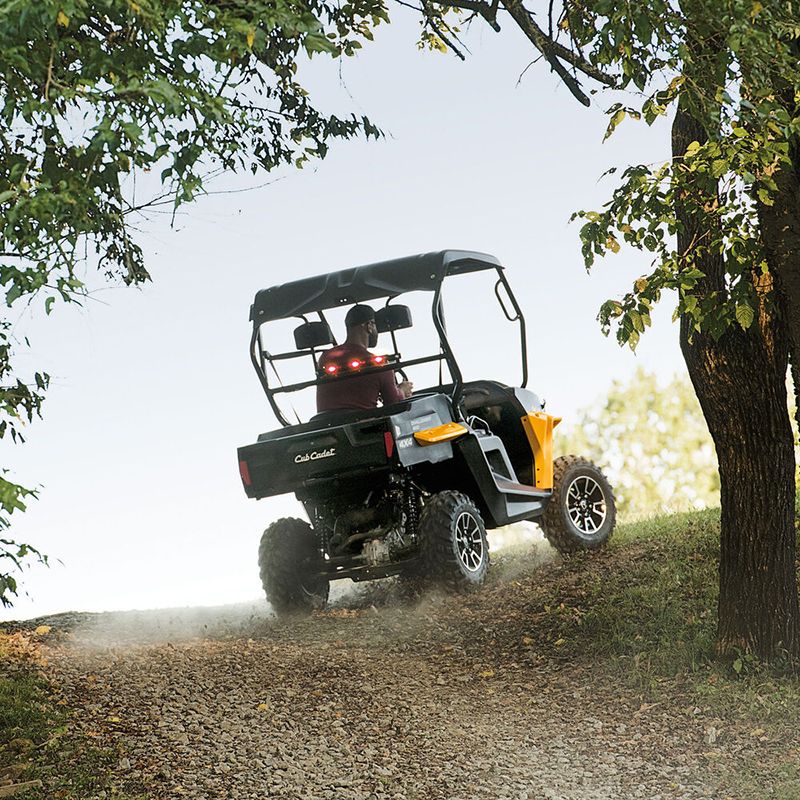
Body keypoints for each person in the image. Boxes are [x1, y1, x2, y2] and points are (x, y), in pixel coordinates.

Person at [316, 304, 413, 412]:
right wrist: (402, 390)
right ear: (369, 326)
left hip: (325, 421)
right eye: (375, 325)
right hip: (362, 421)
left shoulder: (324, 358)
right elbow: (394, 404)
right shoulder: (379, 365)